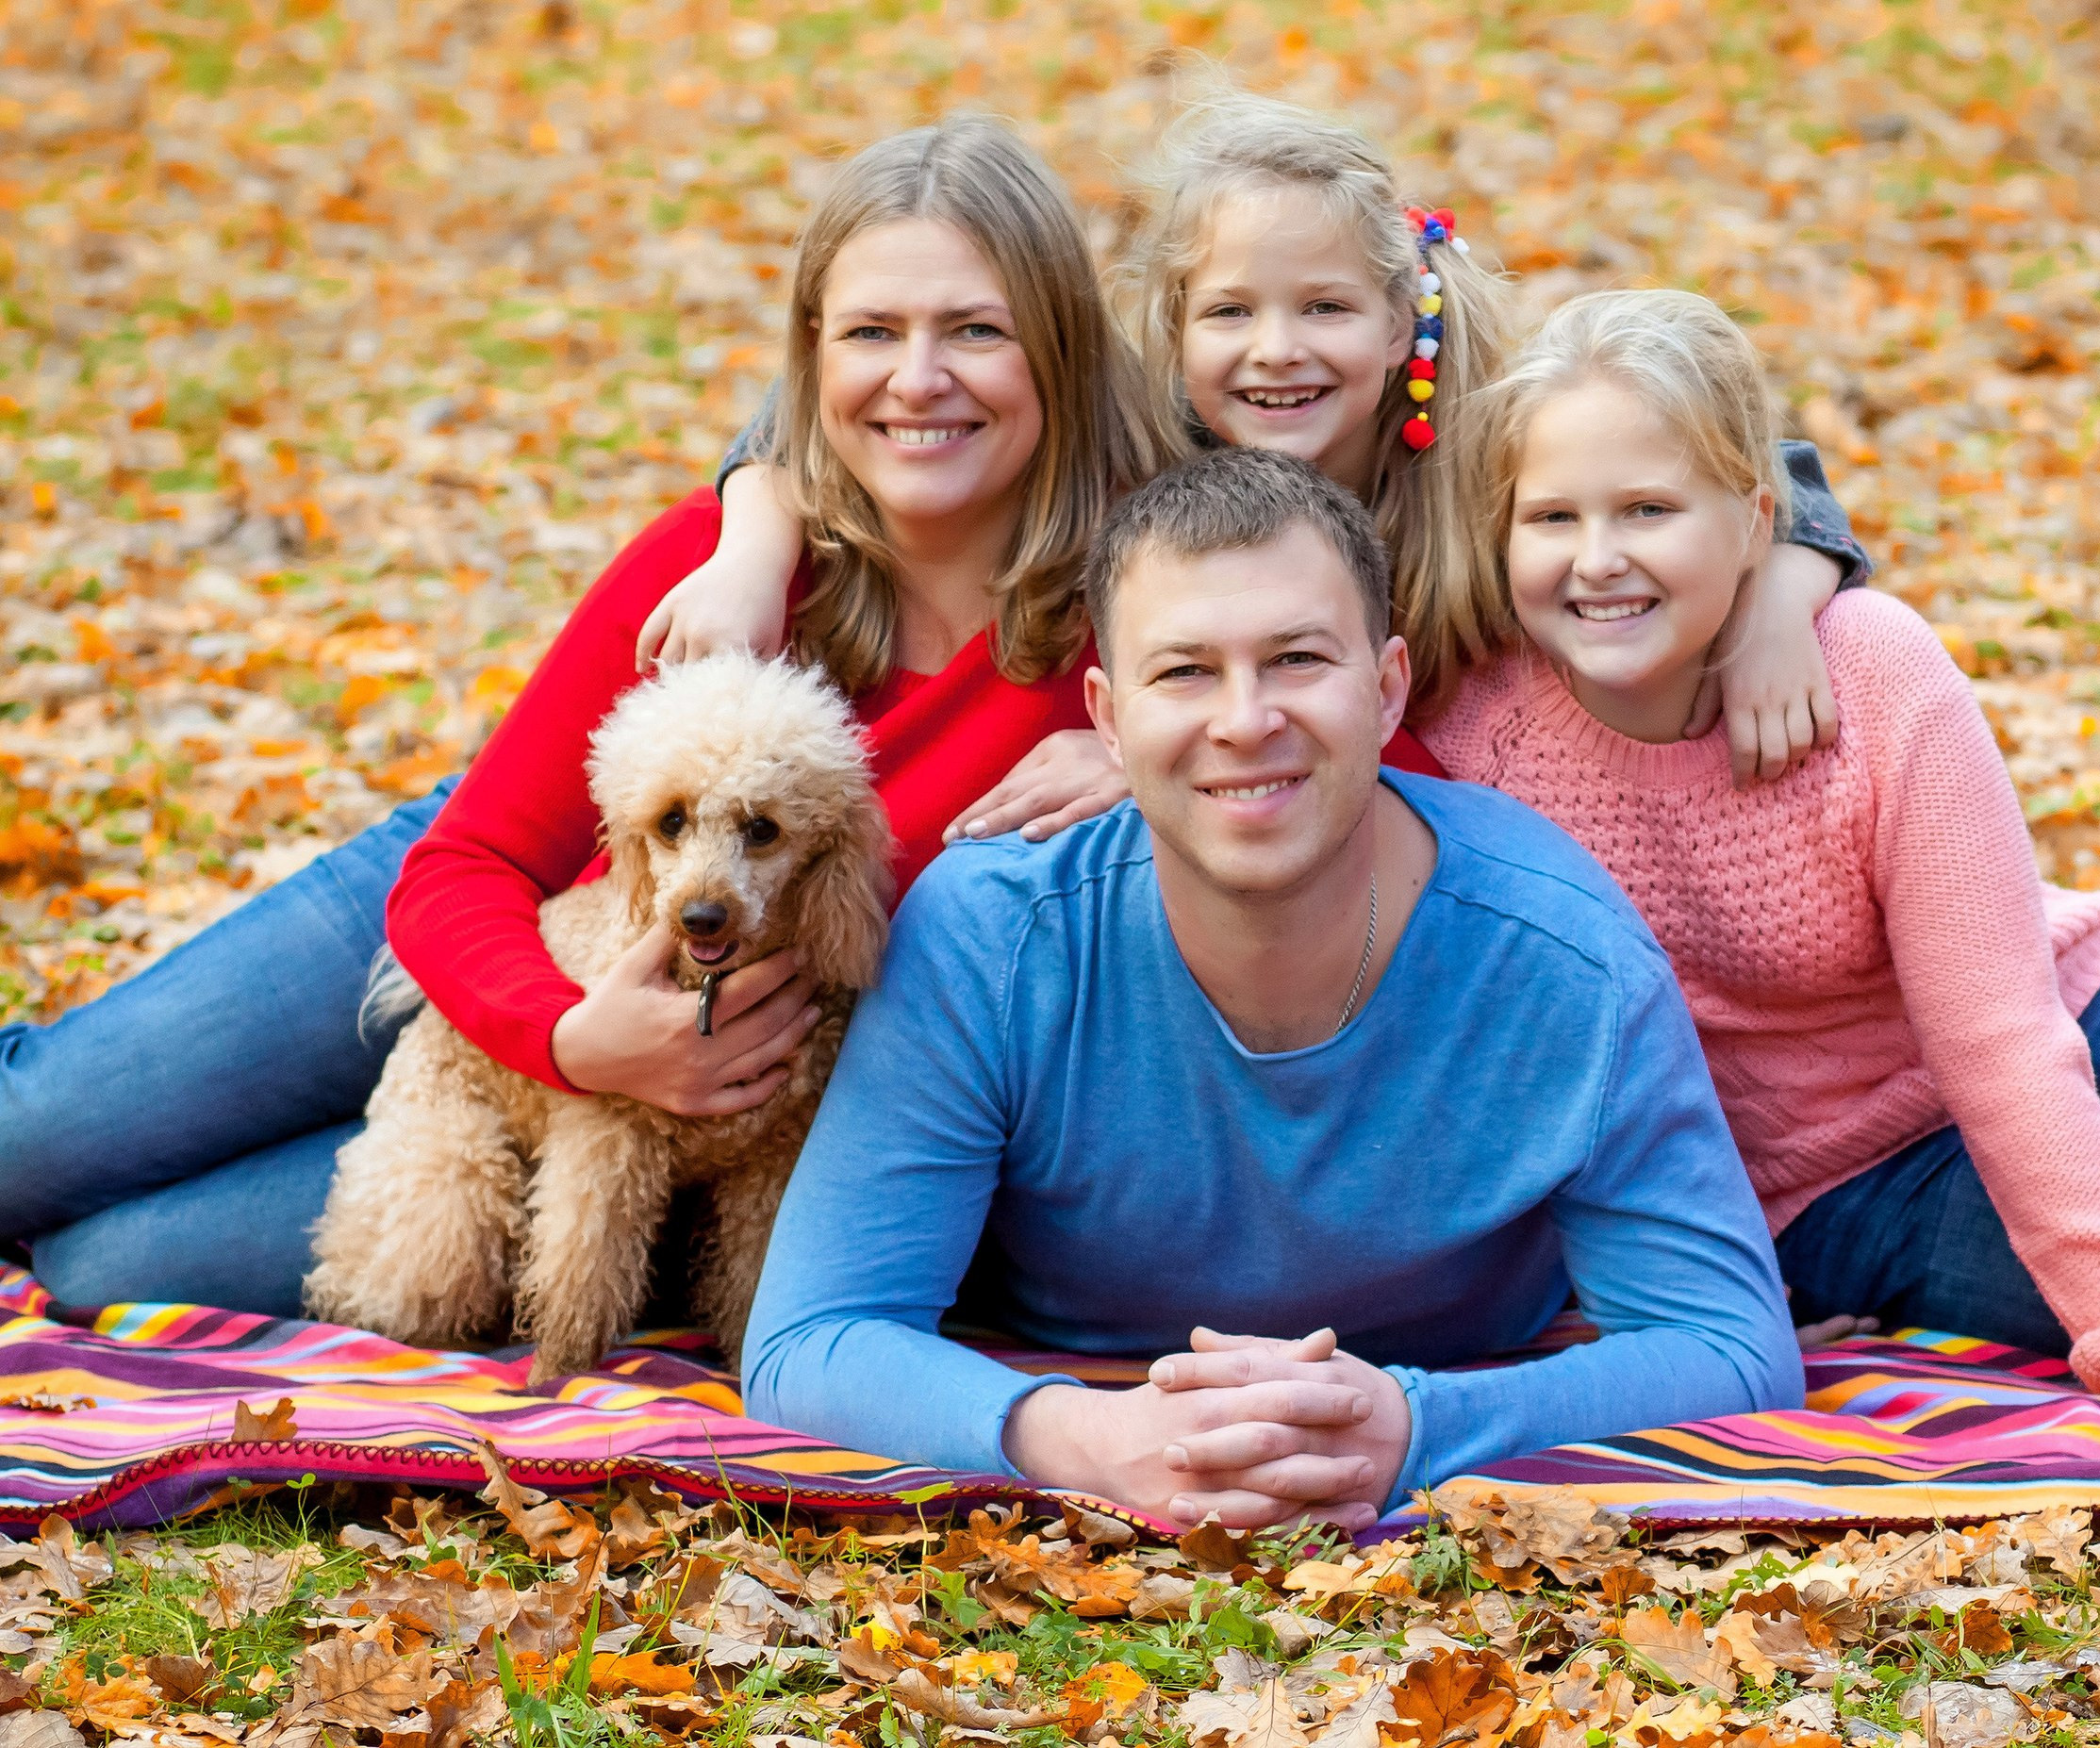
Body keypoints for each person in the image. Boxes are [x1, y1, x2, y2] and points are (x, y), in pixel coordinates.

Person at [0, 118, 1159, 1314]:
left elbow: (1352, 739)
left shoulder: (1156, 610)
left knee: (107, 1263)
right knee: (29, 1142)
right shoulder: (716, 568)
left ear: (1061, 351)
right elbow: (471, 864)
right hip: (506, 920)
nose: (918, 379)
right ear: (810, 358)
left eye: (976, 330)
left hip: (692, 1120)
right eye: (872, 332)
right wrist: (569, 1038)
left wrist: (1154, 759)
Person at [740, 445, 1802, 1531]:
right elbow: (813, 1338)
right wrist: (1084, 1438)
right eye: (1185, 671)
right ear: (1106, 715)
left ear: (1388, 689)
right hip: (1086, 1376)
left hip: (1446, 1363)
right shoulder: (992, 935)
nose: (1245, 720)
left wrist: (1418, 1426)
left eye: (1297, 659)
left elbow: (1728, 1347)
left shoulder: (1563, 953)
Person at [1420, 288, 2100, 1395]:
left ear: (1757, 521)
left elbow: (1997, 1036)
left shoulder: (1872, 669)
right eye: (1553, 518)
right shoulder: (1472, 728)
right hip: (1844, 1171)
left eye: (1648, 511)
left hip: (2062, 996)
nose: (1597, 558)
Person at [647, 92, 1876, 841]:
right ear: (1174, 327)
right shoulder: (1148, 446)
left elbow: (1746, 460)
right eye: (1231, 313)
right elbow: (866, 404)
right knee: (465, 827)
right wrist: (754, 531)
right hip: (1258, 801)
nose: (1276, 353)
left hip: (1385, 827)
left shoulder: (1492, 461)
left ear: (1405, 320)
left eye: (1326, 310)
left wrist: (1783, 586)